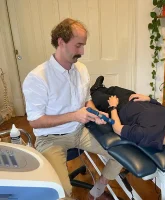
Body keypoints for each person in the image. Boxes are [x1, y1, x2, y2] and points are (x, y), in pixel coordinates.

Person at [23, 19, 122, 200]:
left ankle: (96, 191)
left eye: (83, 46)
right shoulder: (37, 78)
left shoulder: (81, 69)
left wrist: (95, 113)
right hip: (50, 138)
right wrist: (75, 116)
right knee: (61, 193)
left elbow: (87, 100)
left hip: (80, 131)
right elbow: (35, 121)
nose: (82, 52)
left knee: (122, 154)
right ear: (61, 42)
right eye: (78, 46)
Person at [90, 76, 165, 162]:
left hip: (120, 107)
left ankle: (95, 90)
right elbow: (164, 111)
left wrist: (113, 106)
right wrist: (149, 99)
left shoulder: (150, 136)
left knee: (95, 96)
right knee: (114, 89)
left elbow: (118, 128)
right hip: (137, 100)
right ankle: (101, 87)